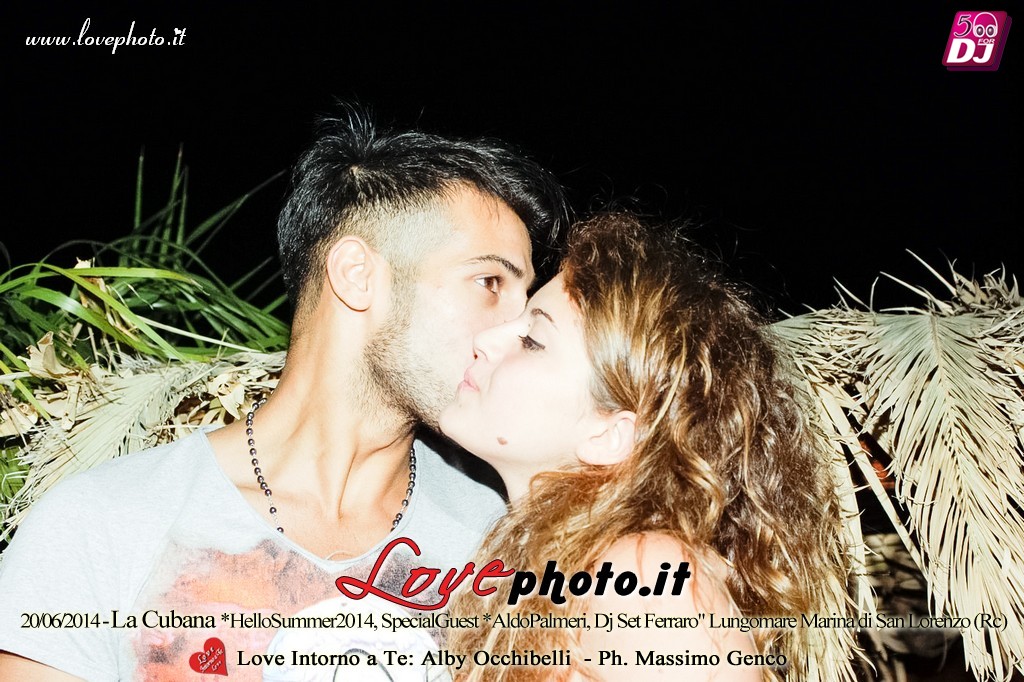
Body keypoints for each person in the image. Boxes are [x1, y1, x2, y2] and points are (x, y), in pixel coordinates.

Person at [0, 108, 566, 681]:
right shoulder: (102, 524)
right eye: (490, 282)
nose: (515, 329)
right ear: (357, 275)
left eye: (526, 298)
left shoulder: (507, 540)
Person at [440, 214, 855, 681]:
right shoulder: (552, 568)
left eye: (533, 340)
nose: (486, 340)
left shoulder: (645, 575)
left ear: (609, 435)